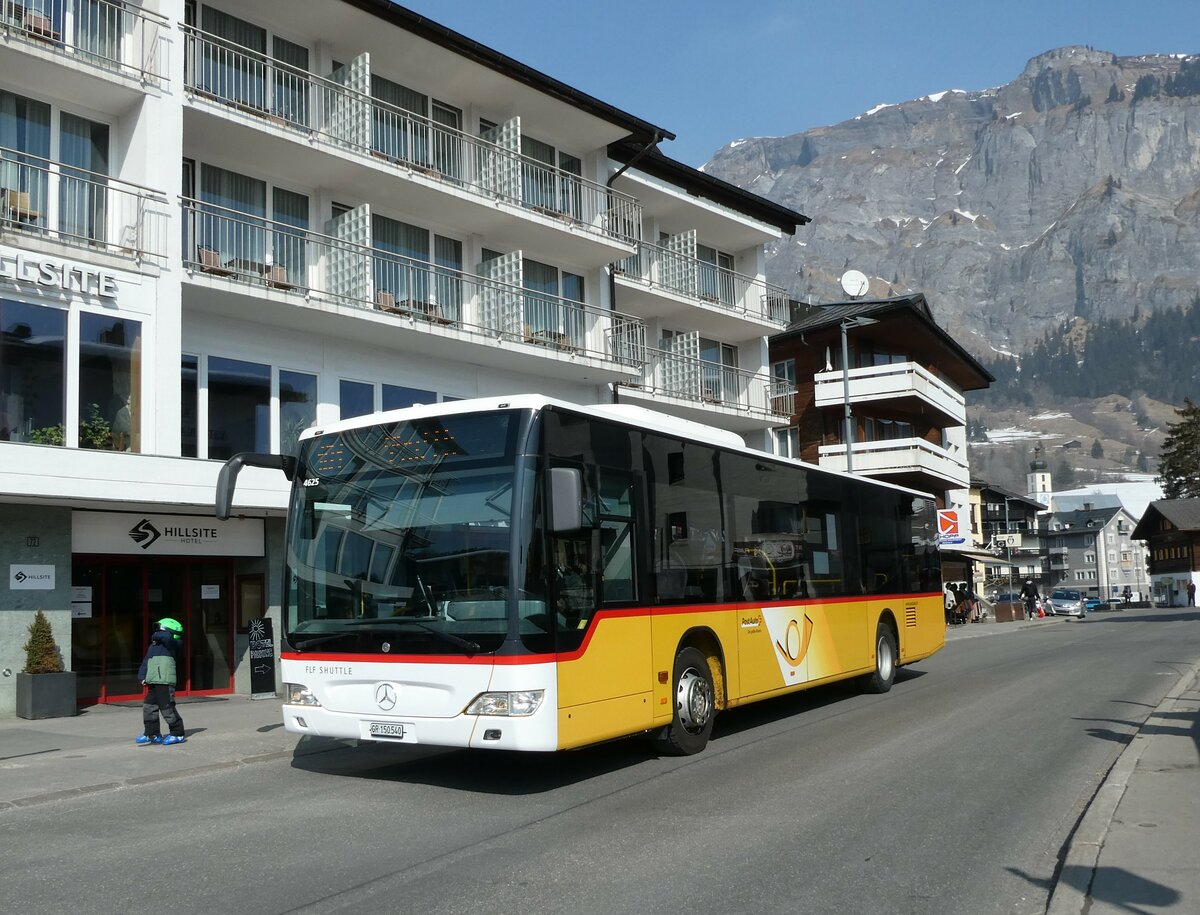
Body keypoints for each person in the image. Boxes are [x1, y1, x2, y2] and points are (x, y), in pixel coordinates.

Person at [136, 617, 186, 746]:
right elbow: (146, 661)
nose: (156, 633)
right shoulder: (153, 646)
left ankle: (177, 733)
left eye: (159, 629)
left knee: (167, 708)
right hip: (153, 680)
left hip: (165, 680)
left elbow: (167, 638)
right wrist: (142, 676)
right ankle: (152, 733)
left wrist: (160, 632)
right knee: (149, 708)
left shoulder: (174, 644)